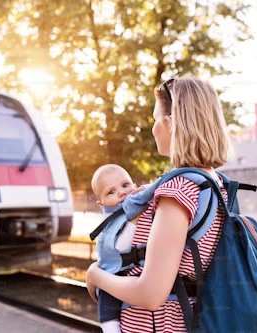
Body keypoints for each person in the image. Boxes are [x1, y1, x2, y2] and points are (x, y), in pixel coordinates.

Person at [86, 74, 230, 332]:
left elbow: (151, 294)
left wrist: (96, 275)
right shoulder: (214, 182)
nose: (153, 128)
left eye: (155, 120)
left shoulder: (178, 191)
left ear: (171, 123)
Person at [90, 164, 142, 333]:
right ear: (101, 202)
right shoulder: (109, 220)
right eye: (111, 192)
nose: (121, 192)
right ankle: (110, 328)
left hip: (136, 275)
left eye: (125, 185)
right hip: (113, 272)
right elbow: (119, 247)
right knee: (107, 299)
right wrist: (134, 222)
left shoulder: (142, 204)